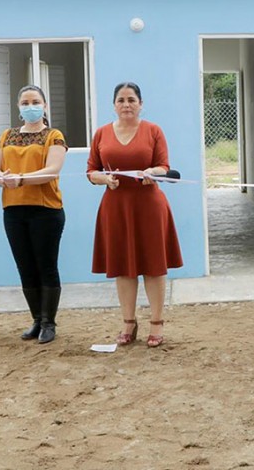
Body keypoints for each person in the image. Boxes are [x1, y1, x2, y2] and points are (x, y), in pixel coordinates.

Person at [87, 82, 182, 347]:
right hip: (116, 206)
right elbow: (91, 171)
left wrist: (153, 173)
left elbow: (165, 166)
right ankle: (128, 321)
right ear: (114, 105)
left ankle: (157, 322)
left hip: (149, 206)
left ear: (141, 103)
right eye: (121, 100)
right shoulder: (101, 134)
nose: (126, 105)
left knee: (153, 265)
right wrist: (104, 179)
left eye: (131, 99)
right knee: (122, 266)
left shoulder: (153, 131)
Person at [0, 85, 67, 344]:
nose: (30, 105)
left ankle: (49, 322)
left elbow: (52, 170)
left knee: (46, 265)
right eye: (25, 102)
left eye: (35, 101)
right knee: (25, 266)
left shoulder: (53, 136)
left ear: (45, 106)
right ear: (18, 107)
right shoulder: (7, 135)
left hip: (45, 210)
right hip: (13, 210)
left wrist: (21, 179)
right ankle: (36, 319)